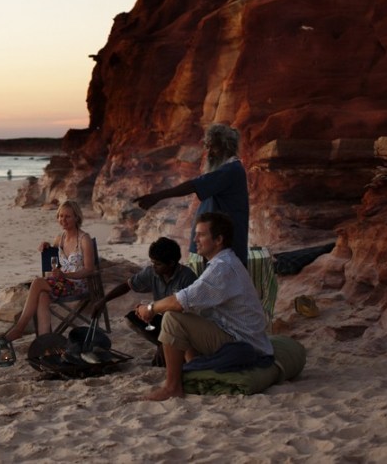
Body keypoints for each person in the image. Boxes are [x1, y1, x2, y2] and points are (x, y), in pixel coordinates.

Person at [135, 212, 273, 401]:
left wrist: (150, 308)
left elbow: (180, 301)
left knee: (173, 318)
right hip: (238, 335)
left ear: (218, 240)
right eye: (195, 234)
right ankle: (193, 371)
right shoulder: (223, 262)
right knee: (185, 314)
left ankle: (172, 387)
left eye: (201, 235)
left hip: (242, 342)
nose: (195, 239)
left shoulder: (222, 268)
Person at [134, 123, 249, 267]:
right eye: (207, 147)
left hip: (223, 247)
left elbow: (194, 185)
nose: (209, 153)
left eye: (213, 147)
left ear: (227, 147)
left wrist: (157, 196)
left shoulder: (231, 170)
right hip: (214, 244)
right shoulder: (226, 169)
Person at [0, 201, 96, 358]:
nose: (63, 220)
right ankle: (45, 342)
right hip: (62, 283)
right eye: (60, 216)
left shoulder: (84, 239)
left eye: (67, 217)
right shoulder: (61, 238)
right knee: (42, 295)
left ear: (77, 218)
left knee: (37, 283)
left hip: (78, 284)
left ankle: (19, 328)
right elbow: (52, 247)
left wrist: (66, 275)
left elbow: (89, 270)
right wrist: (46, 245)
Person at [102, 237, 197, 366]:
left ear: (171, 263)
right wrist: (103, 301)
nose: (154, 267)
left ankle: (170, 346)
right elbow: (127, 285)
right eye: (153, 262)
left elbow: (190, 313)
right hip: (162, 320)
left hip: (182, 323)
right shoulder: (152, 272)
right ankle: (162, 344)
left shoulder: (187, 277)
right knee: (132, 318)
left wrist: (166, 342)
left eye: (158, 264)